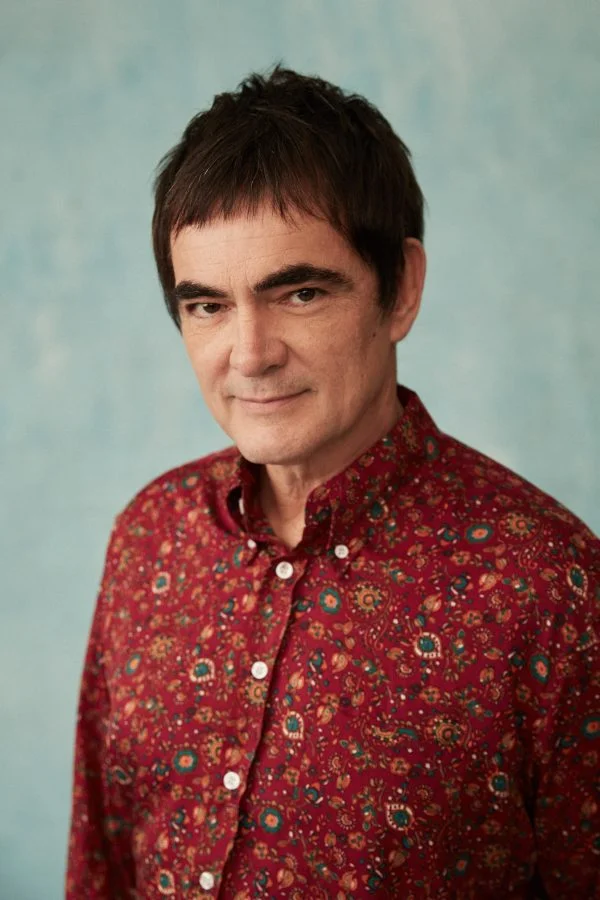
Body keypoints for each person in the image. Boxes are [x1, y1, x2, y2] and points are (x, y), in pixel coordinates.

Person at [66, 67, 599, 900]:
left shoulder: (552, 587)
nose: (249, 355)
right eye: (207, 306)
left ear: (401, 290)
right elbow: (98, 863)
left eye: (301, 293)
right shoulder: (150, 535)